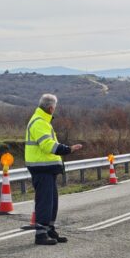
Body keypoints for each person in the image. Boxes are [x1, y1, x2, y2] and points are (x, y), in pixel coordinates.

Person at [25, 93, 82, 246]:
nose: (54, 110)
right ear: (50, 108)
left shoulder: (43, 121)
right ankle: (41, 234)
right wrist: (67, 149)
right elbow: (48, 145)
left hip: (47, 168)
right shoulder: (39, 122)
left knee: (52, 201)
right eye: (54, 108)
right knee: (45, 201)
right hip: (41, 167)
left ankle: (49, 229)